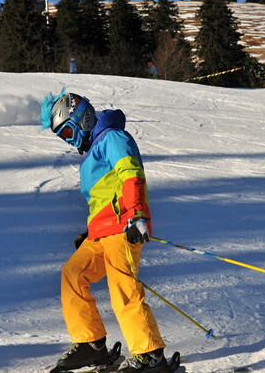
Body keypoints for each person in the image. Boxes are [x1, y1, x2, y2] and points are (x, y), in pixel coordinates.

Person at [40, 89, 178, 373]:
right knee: (73, 275)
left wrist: (137, 213)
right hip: (100, 233)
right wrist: (89, 232)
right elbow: (102, 198)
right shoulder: (93, 151)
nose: (68, 141)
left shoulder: (112, 138)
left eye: (67, 133)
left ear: (82, 119)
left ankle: (150, 355)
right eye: (63, 137)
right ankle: (91, 345)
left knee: (122, 288)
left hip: (124, 227)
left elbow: (131, 173)